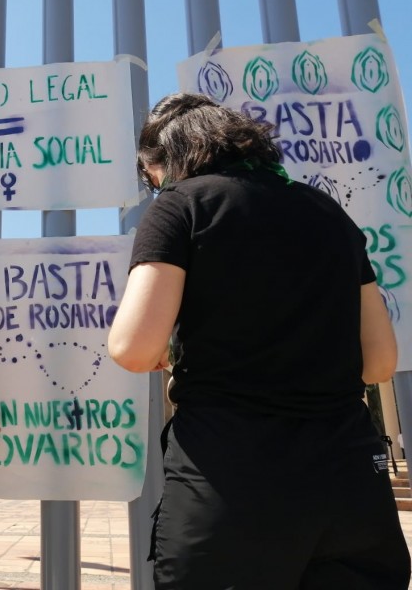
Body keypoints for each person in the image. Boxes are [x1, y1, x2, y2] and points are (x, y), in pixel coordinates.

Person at [108, 93, 411, 589]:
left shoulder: (181, 205)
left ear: (164, 159)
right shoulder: (330, 214)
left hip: (232, 478)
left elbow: (133, 347)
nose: (155, 186)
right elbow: (379, 363)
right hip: (349, 479)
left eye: (151, 175)